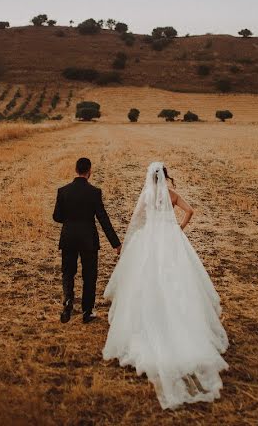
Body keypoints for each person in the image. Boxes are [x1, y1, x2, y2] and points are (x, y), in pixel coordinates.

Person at [102, 162, 229, 409]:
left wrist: (131, 243)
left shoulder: (148, 196)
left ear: (150, 177)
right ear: (165, 176)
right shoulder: (172, 196)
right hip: (171, 240)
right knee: (179, 280)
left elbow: (136, 220)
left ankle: (149, 316)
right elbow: (190, 211)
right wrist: (178, 228)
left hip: (150, 239)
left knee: (145, 279)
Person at [52, 157, 121, 324]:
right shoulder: (94, 192)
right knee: (89, 276)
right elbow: (103, 219)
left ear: (76, 170)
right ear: (89, 171)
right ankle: (87, 311)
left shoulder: (63, 191)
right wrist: (116, 243)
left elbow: (57, 216)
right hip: (88, 240)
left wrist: (71, 220)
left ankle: (68, 303)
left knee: (68, 272)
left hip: (68, 238)